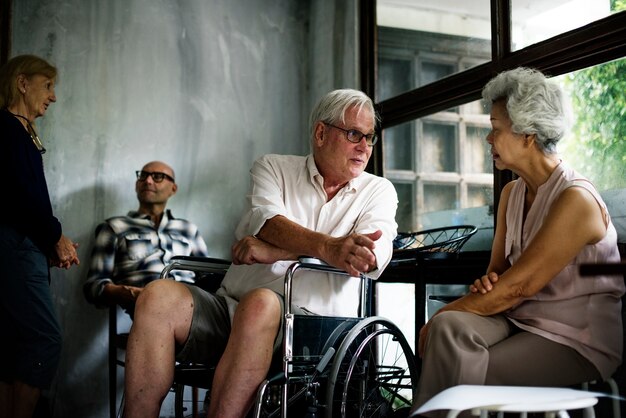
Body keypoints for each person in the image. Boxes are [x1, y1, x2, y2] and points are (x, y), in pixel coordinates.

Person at [122, 88, 398, 418]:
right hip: (229, 309)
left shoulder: (378, 191)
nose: (364, 147)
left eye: (369, 137)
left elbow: (370, 257)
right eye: (354, 134)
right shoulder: (273, 167)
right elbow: (268, 222)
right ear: (321, 133)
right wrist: (329, 247)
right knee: (156, 296)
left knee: (261, 302)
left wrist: (275, 251)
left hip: (310, 332)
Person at [412, 67, 625, 417]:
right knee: (451, 331)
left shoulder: (577, 200)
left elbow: (517, 287)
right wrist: (485, 284)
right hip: (519, 319)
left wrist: (444, 313)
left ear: (528, 134)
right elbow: (500, 275)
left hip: (575, 339)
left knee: (462, 368)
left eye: (495, 130)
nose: (488, 139)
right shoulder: (512, 193)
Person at [0, 55, 80, 418]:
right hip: (14, 247)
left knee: (12, 343)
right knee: (45, 340)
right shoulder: (6, 128)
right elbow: (17, 195)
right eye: (47, 86)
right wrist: (55, 236)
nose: (53, 96)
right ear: (22, 83)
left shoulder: (18, 130)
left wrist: (46, 242)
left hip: (19, 245)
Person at [83, 161, 209, 317]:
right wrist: (130, 293)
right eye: (143, 176)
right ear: (137, 185)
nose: (148, 181)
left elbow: (207, 278)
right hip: (149, 310)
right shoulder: (114, 227)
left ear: (173, 189)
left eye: (158, 177)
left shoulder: (188, 229)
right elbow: (94, 287)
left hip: (193, 308)